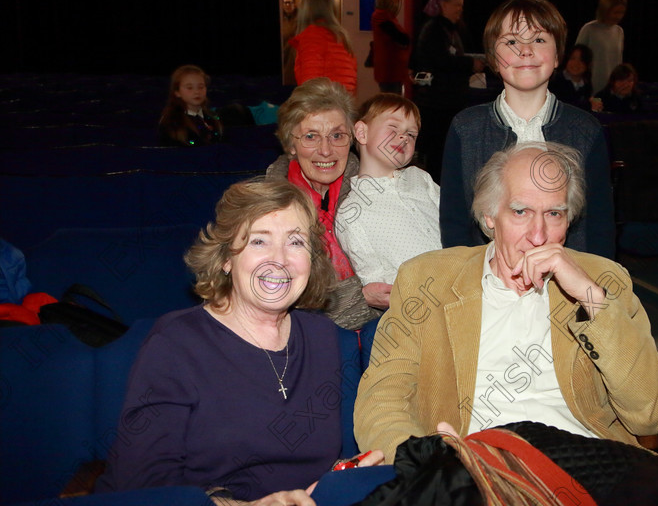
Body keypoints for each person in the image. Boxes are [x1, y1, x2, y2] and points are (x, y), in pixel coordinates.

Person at [354, 142, 658, 462]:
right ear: (489, 215)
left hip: (587, 466)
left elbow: (651, 416)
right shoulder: (428, 279)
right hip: (477, 472)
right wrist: (425, 466)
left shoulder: (603, 281)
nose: (538, 235)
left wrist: (591, 300)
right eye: (521, 211)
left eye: (554, 213)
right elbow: (382, 400)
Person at [97, 178, 384, 504]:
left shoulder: (323, 337)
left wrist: (347, 475)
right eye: (259, 242)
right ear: (225, 259)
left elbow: (328, 457)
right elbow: (145, 487)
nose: (280, 259)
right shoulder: (176, 344)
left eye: (295, 242)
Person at [439, 0, 615, 259]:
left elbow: (600, 223)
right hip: (488, 284)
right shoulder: (465, 128)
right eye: (511, 41)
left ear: (557, 56)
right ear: (494, 58)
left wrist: (593, 288)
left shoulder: (586, 130)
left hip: (566, 285)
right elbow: (454, 221)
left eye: (539, 39)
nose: (525, 50)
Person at [266, 78, 379, 329]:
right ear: (290, 144)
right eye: (311, 136)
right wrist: (365, 297)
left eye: (337, 135)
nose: (326, 150)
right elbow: (276, 301)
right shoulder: (263, 208)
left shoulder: (379, 191)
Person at [335, 93, 441, 310]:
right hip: (421, 306)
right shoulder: (351, 214)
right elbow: (378, 286)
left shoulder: (420, 178)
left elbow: (454, 223)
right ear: (362, 133)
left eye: (411, 134)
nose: (403, 138)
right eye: (393, 129)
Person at [412, 0, 486, 182]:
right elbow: (441, 60)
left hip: (447, 102)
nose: (459, 10)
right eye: (456, 5)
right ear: (443, 5)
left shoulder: (450, 29)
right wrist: (470, 63)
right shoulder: (434, 29)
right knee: (438, 153)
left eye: (461, 6)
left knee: (443, 152)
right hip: (438, 103)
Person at [290, 0, 357, 95]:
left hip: (323, 106)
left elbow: (310, 85)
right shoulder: (342, 37)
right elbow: (352, 81)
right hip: (342, 105)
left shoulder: (312, 36)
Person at [575, 0, 627, 93]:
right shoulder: (589, 29)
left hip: (611, 88)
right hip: (591, 87)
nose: (618, 16)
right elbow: (577, 58)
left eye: (621, 13)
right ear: (605, 10)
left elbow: (618, 60)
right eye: (615, 12)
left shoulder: (619, 31)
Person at [158, 64, 223, 146]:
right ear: (177, 92)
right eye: (189, 88)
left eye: (201, 87)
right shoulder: (171, 122)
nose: (197, 92)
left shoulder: (213, 118)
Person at [371, 0, 411, 94]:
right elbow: (400, 37)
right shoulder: (381, 16)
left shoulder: (388, 16)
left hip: (394, 70)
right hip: (389, 70)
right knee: (392, 102)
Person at [549, 44, 603, 113]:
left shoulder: (586, 85)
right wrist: (588, 105)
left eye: (581, 60)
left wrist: (595, 105)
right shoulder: (555, 80)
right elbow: (562, 106)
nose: (576, 63)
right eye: (572, 58)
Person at [281, 0, 299, 85]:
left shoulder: (300, 18)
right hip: (284, 52)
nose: (287, 5)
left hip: (295, 54)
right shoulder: (281, 18)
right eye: (285, 3)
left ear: (294, 4)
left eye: (290, 3)